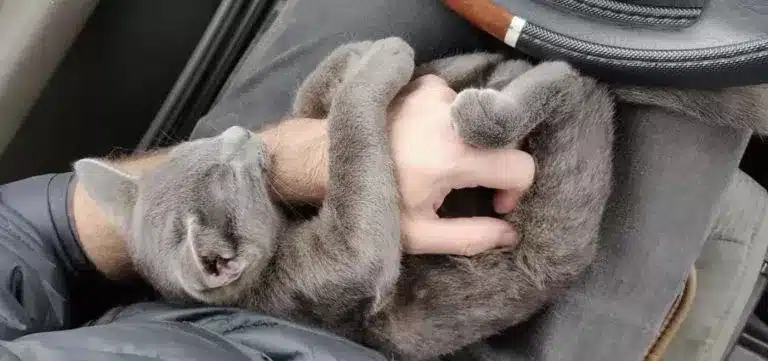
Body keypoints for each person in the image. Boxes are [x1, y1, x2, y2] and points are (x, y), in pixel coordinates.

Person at [0, 44, 534, 361]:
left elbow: (32, 231)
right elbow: (358, 256)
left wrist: (303, 153)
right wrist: (358, 105)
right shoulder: (272, 267)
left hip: (203, 272)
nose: (234, 133)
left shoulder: (214, 241)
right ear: (219, 262)